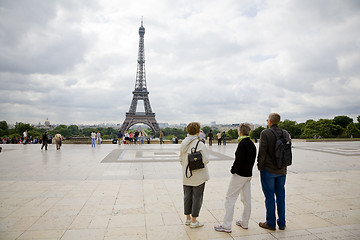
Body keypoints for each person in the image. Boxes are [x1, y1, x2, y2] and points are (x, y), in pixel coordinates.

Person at [214, 123, 256, 233]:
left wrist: (233, 170)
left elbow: (239, 160)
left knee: (230, 199)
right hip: (248, 175)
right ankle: (244, 222)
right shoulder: (252, 143)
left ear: (240, 132)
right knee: (246, 200)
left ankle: (226, 225)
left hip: (240, 175)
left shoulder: (242, 144)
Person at [257, 113, 290, 231]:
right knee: (281, 196)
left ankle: (270, 223)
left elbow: (262, 152)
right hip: (282, 170)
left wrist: (259, 166)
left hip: (268, 170)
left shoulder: (265, 133)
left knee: (269, 197)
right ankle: (282, 223)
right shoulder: (285, 133)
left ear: (269, 122)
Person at [179, 122, 210, 228]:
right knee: (197, 197)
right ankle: (194, 221)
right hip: (198, 176)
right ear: (198, 132)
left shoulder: (183, 143)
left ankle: (187, 219)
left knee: (187, 196)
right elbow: (206, 160)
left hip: (186, 174)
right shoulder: (200, 144)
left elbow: (180, 160)